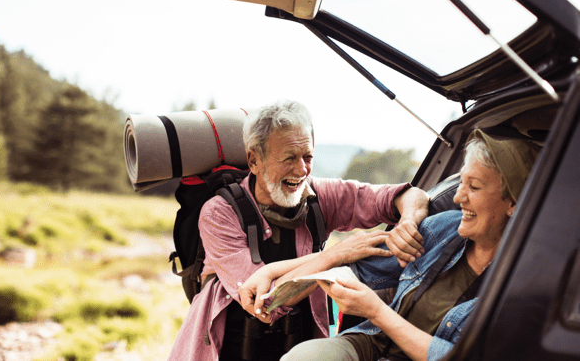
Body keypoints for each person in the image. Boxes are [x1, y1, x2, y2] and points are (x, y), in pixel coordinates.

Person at [239, 129, 540, 361]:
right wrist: (275, 272)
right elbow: (356, 261)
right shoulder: (445, 228)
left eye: (474, 187)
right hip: (373, 343)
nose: (459, 197)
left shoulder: (529, 287)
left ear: (513, 201)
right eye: (461, 183)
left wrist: (377, 311)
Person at [167, 100, 430, 361]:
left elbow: (409, 195)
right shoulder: (218, 213)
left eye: (308, 157)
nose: (302, 170)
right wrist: (337, 255)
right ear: (254, 161)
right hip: (228, 348)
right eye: (289, 158)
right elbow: (266, 302)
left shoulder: (320, 195)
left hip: (300, 344)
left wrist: (407, 221)